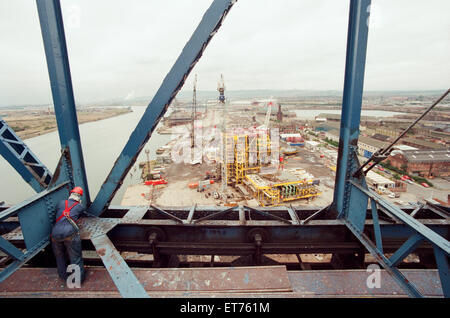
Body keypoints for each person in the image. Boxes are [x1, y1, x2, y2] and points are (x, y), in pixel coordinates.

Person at [51, 186, 86, 283]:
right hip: (70, 233)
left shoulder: (60, 203)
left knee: (60, 256)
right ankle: (77, 280)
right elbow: (82, 215)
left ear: (70, 195)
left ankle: (63, 277)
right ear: (79, 197)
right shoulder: (80, 206)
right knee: (75, 258)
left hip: (55, 234)